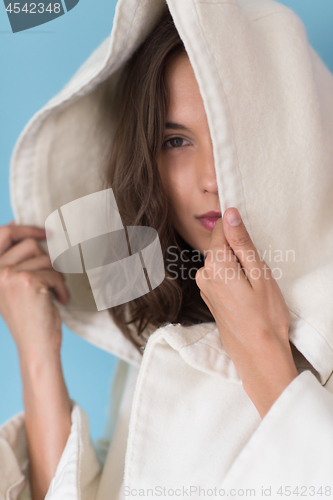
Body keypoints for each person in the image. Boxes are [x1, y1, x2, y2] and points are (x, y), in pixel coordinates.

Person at [1, 1, 333, 500]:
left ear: (293, 138)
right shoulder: (164, 334)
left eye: (232, 135)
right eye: (176, 141)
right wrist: (37, 351)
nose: (212, 180)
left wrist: (265, 352)